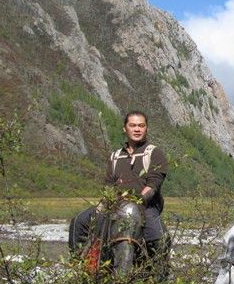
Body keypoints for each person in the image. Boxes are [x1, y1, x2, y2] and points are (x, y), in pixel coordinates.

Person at [68, 110, 169, 259]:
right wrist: (104, 205)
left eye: (141, 125)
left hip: (145, 206)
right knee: (79, 222)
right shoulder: (115, 156)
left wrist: (137, 201)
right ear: (125, 128)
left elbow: (154, 184)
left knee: (158, 237)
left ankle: (159, 274)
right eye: (133, 125)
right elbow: (109, 185)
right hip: (115, 205)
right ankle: (79, 263)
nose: (137, 129)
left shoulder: (154, 153)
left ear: (146, 128)